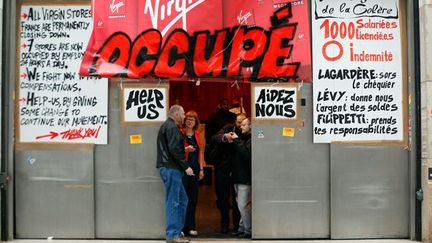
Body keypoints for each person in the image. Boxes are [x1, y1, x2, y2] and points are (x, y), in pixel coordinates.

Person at [156, 105, 194, 243]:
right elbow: (173, 150)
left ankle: (177, 232)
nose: (184, 117)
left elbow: (170, 148)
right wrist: (186, 166)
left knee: (183, 200)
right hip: (171, 169)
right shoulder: (171, 127)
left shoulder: (170, 127)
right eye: (183, 114)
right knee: (173, 201)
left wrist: (184, 149)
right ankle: (172, 235)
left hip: (171, 167)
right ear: (176, 114)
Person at [210, 113, 247, 234]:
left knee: (238, 200)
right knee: (223, 198)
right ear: (235, 121)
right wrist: (225, 137)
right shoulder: (228, 128)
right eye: (238, 122)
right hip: (223, 168)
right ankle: (224, 224)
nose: (240, 125)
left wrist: (236, 140)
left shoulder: (246, 133)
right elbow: (215, 137)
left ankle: (238, 226)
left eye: (242, 122)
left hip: (237, 170)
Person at [181, 111, 205, 236]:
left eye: (192, 120)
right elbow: (176, 150)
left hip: (194, 169)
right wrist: (186, 149)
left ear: (196, 122)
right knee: (183, 197)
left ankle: (191, 225)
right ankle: (182, 226)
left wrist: (201, 169)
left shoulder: (197, 134)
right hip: (183, 169)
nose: (189, 121)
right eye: (188, 119)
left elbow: (200, 152)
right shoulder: (180, 133)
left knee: (193, 198)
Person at [229, 117, 252, 238]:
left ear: (251, 126)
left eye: (244, 125)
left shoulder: (251, 140)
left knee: (243, 205)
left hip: (245, 178)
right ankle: (242, 227)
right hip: (237, 176)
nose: (241, 127)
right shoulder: (242, 138)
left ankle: (248, 229)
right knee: (240, 205)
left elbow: (247, 155)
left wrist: (237, 141)